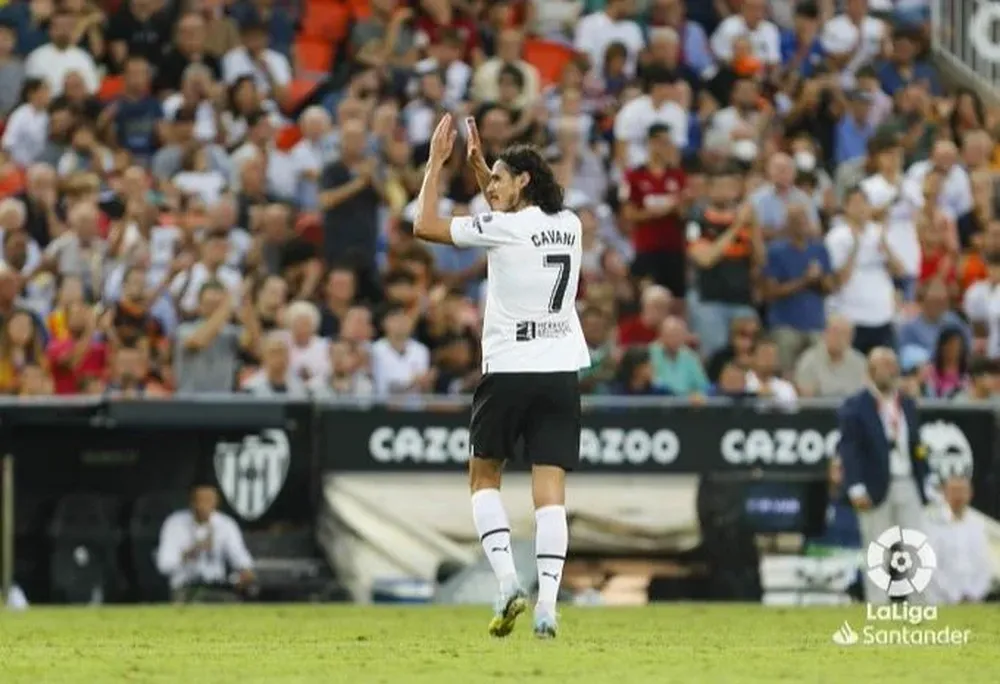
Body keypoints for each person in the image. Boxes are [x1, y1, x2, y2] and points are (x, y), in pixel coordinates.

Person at [412, 113, 589, 639]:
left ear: (523, 183)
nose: (490, 189)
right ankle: (548, 607)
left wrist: (434, 167)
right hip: (560, 370)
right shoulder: (571, 223)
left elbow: (424, 225)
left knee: (483, 478)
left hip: (511, 368)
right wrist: (485, 168)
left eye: (497, 181)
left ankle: (510, 582)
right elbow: (522, 216)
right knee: (550, 492)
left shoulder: (505, 228)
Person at [837, 347, 929, 604]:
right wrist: (855, 486)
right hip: (874, 484)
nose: (891, 369)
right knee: (878, 548)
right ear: (871, 371)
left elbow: (916, 444)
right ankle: (878, 604)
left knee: (916, 546)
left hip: (907, 480)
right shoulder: (856, 406)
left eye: (893, 364)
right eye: (885, 364)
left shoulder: (907, 404)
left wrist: (926, 479)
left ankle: (919, 603)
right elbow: (849, 449)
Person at [155, 481, 256, 603]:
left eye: (209, 501)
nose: (205, 506)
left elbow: (239, 554)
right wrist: (190, 552)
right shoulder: (174, 523)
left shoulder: (225, 524)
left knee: (233, 604)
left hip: (218, 587)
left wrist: (246, 570)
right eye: (201, 501)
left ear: (216, 503)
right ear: (192, 503)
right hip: (186, 587)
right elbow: (164, 565)